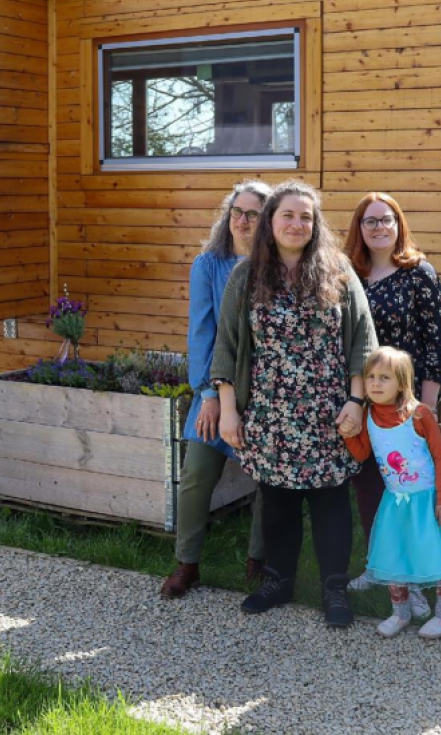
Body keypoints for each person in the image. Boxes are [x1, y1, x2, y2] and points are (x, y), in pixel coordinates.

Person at [210, 180, 377, 628]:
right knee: (278, 501)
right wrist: (229, 408)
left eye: (306, 216)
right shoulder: (245, 277)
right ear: (271, 221)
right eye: (287, 215)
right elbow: (225, 344)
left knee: (330, 502)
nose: (297, 223)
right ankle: (278, 581)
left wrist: (357, 401)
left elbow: (363, 339)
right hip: (269, 412)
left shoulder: (338, 271)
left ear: (315, 224)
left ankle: (334, 588)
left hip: (329, 414)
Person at [161, 181, 270, 598]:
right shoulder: (208, 265)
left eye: (253, 214)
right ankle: (187, 564)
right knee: (196, 474)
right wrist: (207, 394)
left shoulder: (277, 268)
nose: (242, 221)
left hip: (264, 393)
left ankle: (257, 563)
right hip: (213, 390)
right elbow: (201, 334)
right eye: (236, 212)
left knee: (268, 480)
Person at [342, 192, 441, 601]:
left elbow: (436, 343)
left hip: (406, 405)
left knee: (410, 491)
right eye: (369, 221)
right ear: (359, 229)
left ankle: (419, 575)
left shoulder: (418, 273)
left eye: (386, 220)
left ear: (398, 224)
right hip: (362, 397)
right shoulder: (348, 276)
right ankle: (380, 568)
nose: (378, 228)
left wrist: (424, 407)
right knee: (370, 485)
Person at [343, 347, 441, 639]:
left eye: (384, 378)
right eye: (370, 377)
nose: (375, 384)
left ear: (403, 383)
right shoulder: (368, 415)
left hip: (429, 502)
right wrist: (347, 436)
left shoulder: (419, 415)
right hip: (395, 503)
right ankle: (400, 613)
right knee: (396, 558)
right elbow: (361, 454)